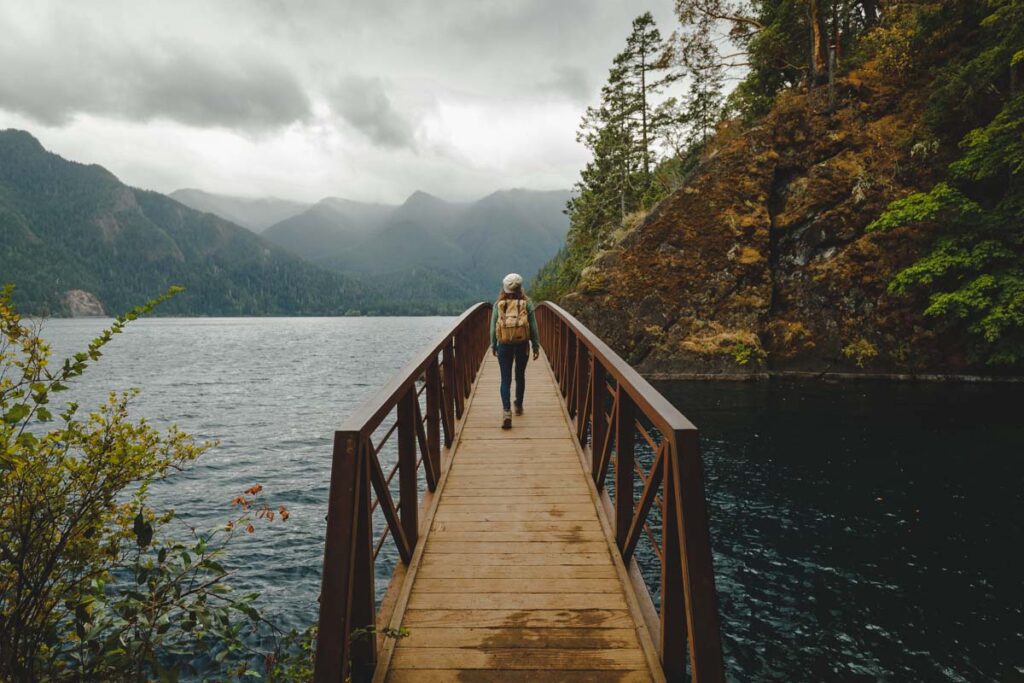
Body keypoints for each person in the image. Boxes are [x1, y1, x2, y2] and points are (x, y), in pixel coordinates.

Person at [490, 273, 539, 430]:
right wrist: (536, 346)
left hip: (504, 344)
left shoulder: (499, 304)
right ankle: (518, 405)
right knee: (520, 376)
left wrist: (493, 345)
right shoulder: (527, 304)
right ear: (520, 288)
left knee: (505, 379)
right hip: (522, 344)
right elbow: (533, 327)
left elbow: (492, 328)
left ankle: (506, 412)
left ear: (504, 288)